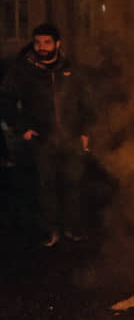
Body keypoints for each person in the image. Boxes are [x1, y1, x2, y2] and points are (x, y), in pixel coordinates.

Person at [0, 23, 92, 246]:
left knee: (73, 184)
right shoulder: (23, 70)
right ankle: (51, 231)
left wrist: (86, 131)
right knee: (45, 185)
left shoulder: (71, 68)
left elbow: (86, 102)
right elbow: (5, 99)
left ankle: (72, 228)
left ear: (58, 44)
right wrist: (21, 127)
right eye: (38, 42)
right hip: (42, 137)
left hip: (71, 135)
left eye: (47, 42)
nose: (41, 47)